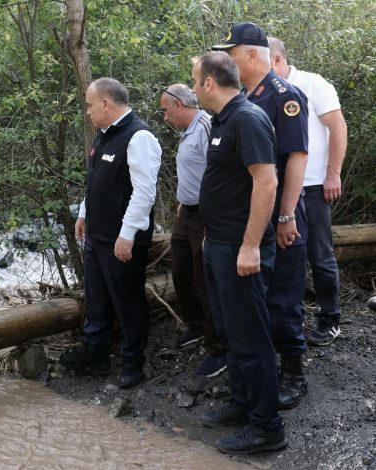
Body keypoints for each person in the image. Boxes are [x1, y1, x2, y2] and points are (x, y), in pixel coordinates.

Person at [213, 22, 311, 410]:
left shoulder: (284, 96)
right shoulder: (245, 98)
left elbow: (297, 159)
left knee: (284, 295)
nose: (228, 61)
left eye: (232, 54)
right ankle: (257, 374)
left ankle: (293, 371)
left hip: (280, 211)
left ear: (252, 54)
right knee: (257, 297)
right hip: (251, 213)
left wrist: (286, 216)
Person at [193, 51, 285, 455]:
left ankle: (266, 427)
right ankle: (244, 404)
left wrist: (249, 246)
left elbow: (266, 183)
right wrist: (212, 235)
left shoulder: (247, 118)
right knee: (233, 333)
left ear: (209, 82)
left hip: (241, 249)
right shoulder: (222, 120)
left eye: (195, 80)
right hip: (221, 243)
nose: (193, 86)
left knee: (251, 338)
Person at [61, 77, 161, 389]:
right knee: (97, 299)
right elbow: (97, 181)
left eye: (90, 105)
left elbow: (144, 192)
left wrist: (128, 233)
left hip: (123, 239)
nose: (88, 112)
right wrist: (84, 213)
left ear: (106, 103)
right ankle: (96, 353)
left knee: (128, 301)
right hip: (97, 236)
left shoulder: (139, 137)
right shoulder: (103, 136)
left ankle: (134, 363)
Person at [269, 37, 348, 346]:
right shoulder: (261, 92)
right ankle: (290, 318)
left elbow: (338, 127)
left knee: (319, 254)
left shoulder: (312, 84)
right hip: (277, 186)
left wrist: (333, 174)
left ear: (275, 60)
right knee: (284, 258)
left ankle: (330, 318)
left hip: (313, 185)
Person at [159, 84, 226, 377]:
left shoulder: (206, 128)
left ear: (179, 104)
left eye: (165, 110)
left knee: (205, 279)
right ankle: (197, 325)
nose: (164, 117)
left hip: (205, 216)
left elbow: (219, 175)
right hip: (187, 213)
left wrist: (211, 217)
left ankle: (219, 348)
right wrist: (182, 201)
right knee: (182, 271)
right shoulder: (188, 132)